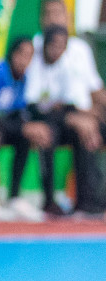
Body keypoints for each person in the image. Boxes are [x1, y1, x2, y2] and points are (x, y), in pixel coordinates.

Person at [26, 25, 104, 216]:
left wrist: (86, 119)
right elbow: (35, 106)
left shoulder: (65, 65)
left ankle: (88, 202)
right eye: (54, 45)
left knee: (86, 133)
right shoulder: (34, 64)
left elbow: (69, 105)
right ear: (45, 45)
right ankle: (49, 201)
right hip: (35, 118)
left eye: (62, 46)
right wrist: (70, 116)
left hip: (60, 119)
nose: (57, 50)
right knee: (47, 135)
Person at [0, 36, 47, 221]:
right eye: (21, 54)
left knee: (25, 137)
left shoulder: (23, 79)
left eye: (29, 56)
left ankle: (14, 196)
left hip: (4, 125)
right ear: (12, 53)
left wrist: (27, 127)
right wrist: (21, 127)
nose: (24, 59)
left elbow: (17, 112)